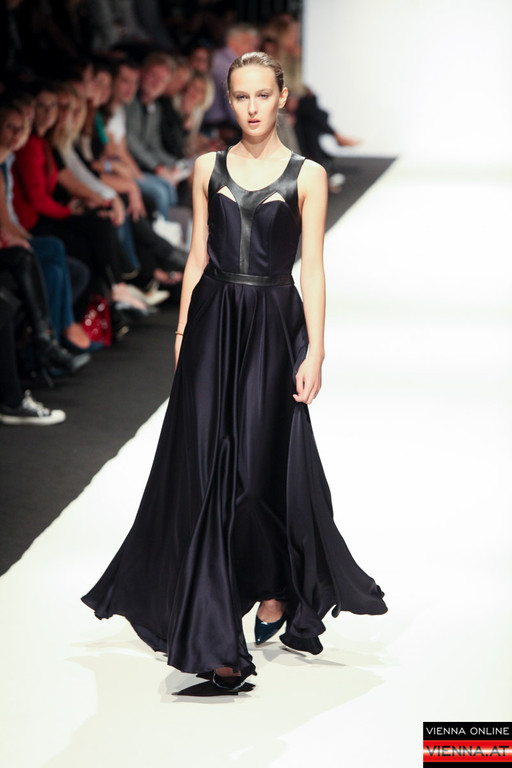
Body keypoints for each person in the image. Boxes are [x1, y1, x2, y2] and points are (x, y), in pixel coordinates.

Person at [82, 52, 387, 693]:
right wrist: (182, 330)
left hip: (273, 326)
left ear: (282, 98)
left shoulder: (307, 175)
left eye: (262, 95)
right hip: (213, 322)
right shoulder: (207, 167)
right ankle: (216, 637)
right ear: (229, 99)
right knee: (204, 475)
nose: (251, 107)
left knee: (253, 474)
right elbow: (197, 254)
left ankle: (274, 586)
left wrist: (317, 350)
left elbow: (313, 268)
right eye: (241, 96)